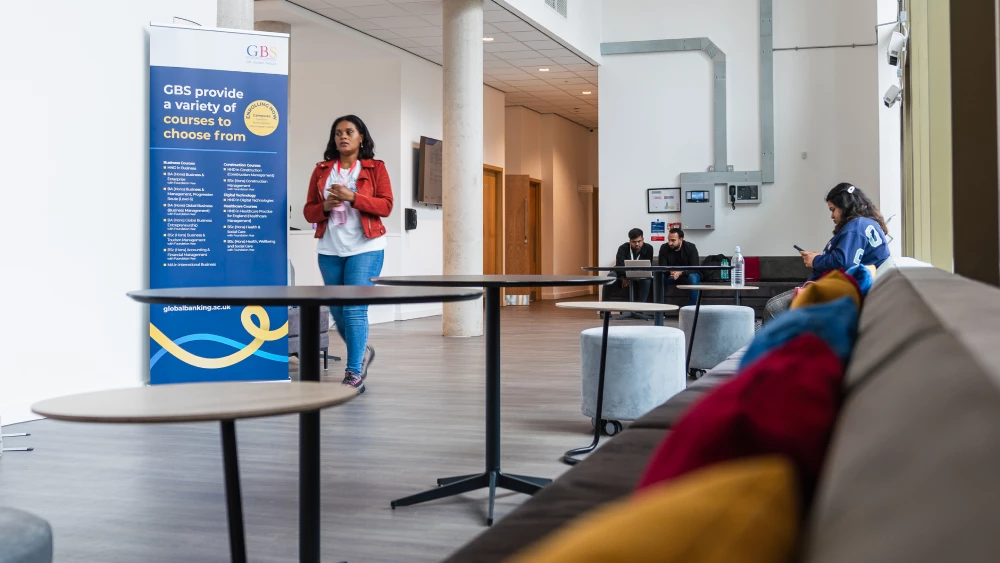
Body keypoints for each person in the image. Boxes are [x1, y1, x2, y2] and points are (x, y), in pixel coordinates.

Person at [303, 115, 393, 394]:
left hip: (366, 247)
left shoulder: (375, 168)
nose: (343, 136)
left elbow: (386, 206)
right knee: (338, 311)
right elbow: (309, 212)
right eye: (338, 132)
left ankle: (354, 372)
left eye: (349, 132)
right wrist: (326, 206)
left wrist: (353, 197)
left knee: (354, 309)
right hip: (329, 249)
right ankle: (362, 350)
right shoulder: (322, 170)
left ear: (361, 137)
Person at [763, 182, 890, 323]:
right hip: (843, 290)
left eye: (833, 209)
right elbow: (848, 259)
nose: (831, 215)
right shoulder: (865, 224)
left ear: (845, 207)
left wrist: (816, 260)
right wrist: (820, 258)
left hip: (838, 294)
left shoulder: (855, 228)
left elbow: (844, 264)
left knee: (773, 308)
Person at [607, 228, 655, 304]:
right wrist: (624, 277)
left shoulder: (649, 248)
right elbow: (620, 265)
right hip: (623, 273)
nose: (637, 244)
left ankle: (641, 307)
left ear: (643, 240)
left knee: (647, 279)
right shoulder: (623, 248)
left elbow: (647, 266)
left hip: (641, 273)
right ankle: (605, 307)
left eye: (639, 241)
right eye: (634, 242)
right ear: (630, 241)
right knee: (610, 276)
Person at [659, 228, 701, 305]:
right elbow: (662, 266)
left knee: (693, 277)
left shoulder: (691, 247)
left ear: (680, 239)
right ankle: (659, 308)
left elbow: (695, 268)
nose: (670, 243)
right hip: (672, 276)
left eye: (673, 240)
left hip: (687, 275)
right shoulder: (664, 248)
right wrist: (671, 271)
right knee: (659, 277)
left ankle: (692, 308)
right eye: (669, 240)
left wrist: (680, 273)